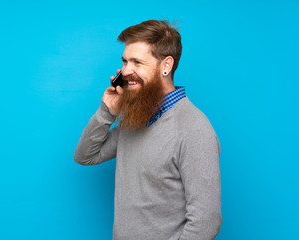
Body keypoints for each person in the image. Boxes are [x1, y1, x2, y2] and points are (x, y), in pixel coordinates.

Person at [74, 19, 222, 240]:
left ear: (166, 65)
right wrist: (108, 111)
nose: (125, 72)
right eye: (124, 61)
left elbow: (206, 222)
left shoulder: (194, 128)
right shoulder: (135, 119)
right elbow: (85, 156)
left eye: (137, 62)